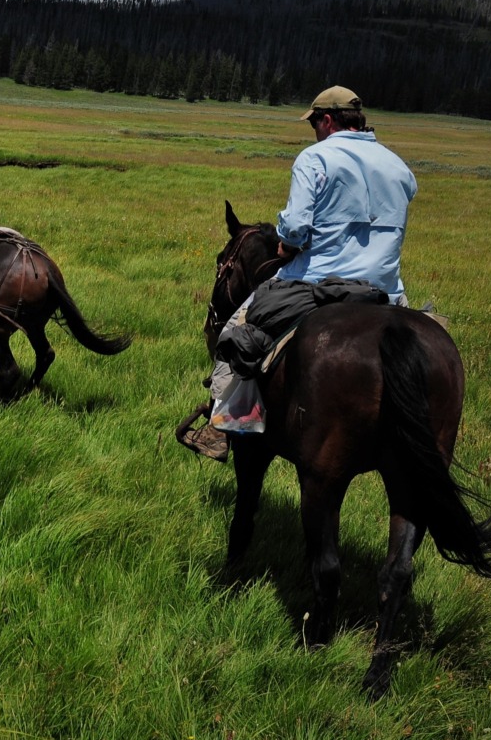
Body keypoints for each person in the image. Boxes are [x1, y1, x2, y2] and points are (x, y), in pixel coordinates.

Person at [178, 86, 417, 460]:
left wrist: (287, 245)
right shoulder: (399, 166)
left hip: (318, 281)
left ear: (326, 120)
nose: (314, 132)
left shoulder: (316, 157)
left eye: (314, 124)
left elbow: (295, 228)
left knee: (233, 335)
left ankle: (224, 428)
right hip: (386, 290)